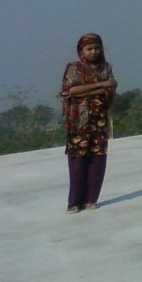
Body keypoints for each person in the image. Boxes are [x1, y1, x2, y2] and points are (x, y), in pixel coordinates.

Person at [60, 33, 116, 214]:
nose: (94, 52)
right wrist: (101, 86)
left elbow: (111, 88)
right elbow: (72, 90)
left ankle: (91, 199)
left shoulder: (106, 68)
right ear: (81, 50)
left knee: (97, 159)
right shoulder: (74, 68)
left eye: (97, 48)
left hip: (99, 120)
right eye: (89, 48)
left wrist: (107, 87)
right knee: (78, 160)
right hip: (79, 121)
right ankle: (74, 201)